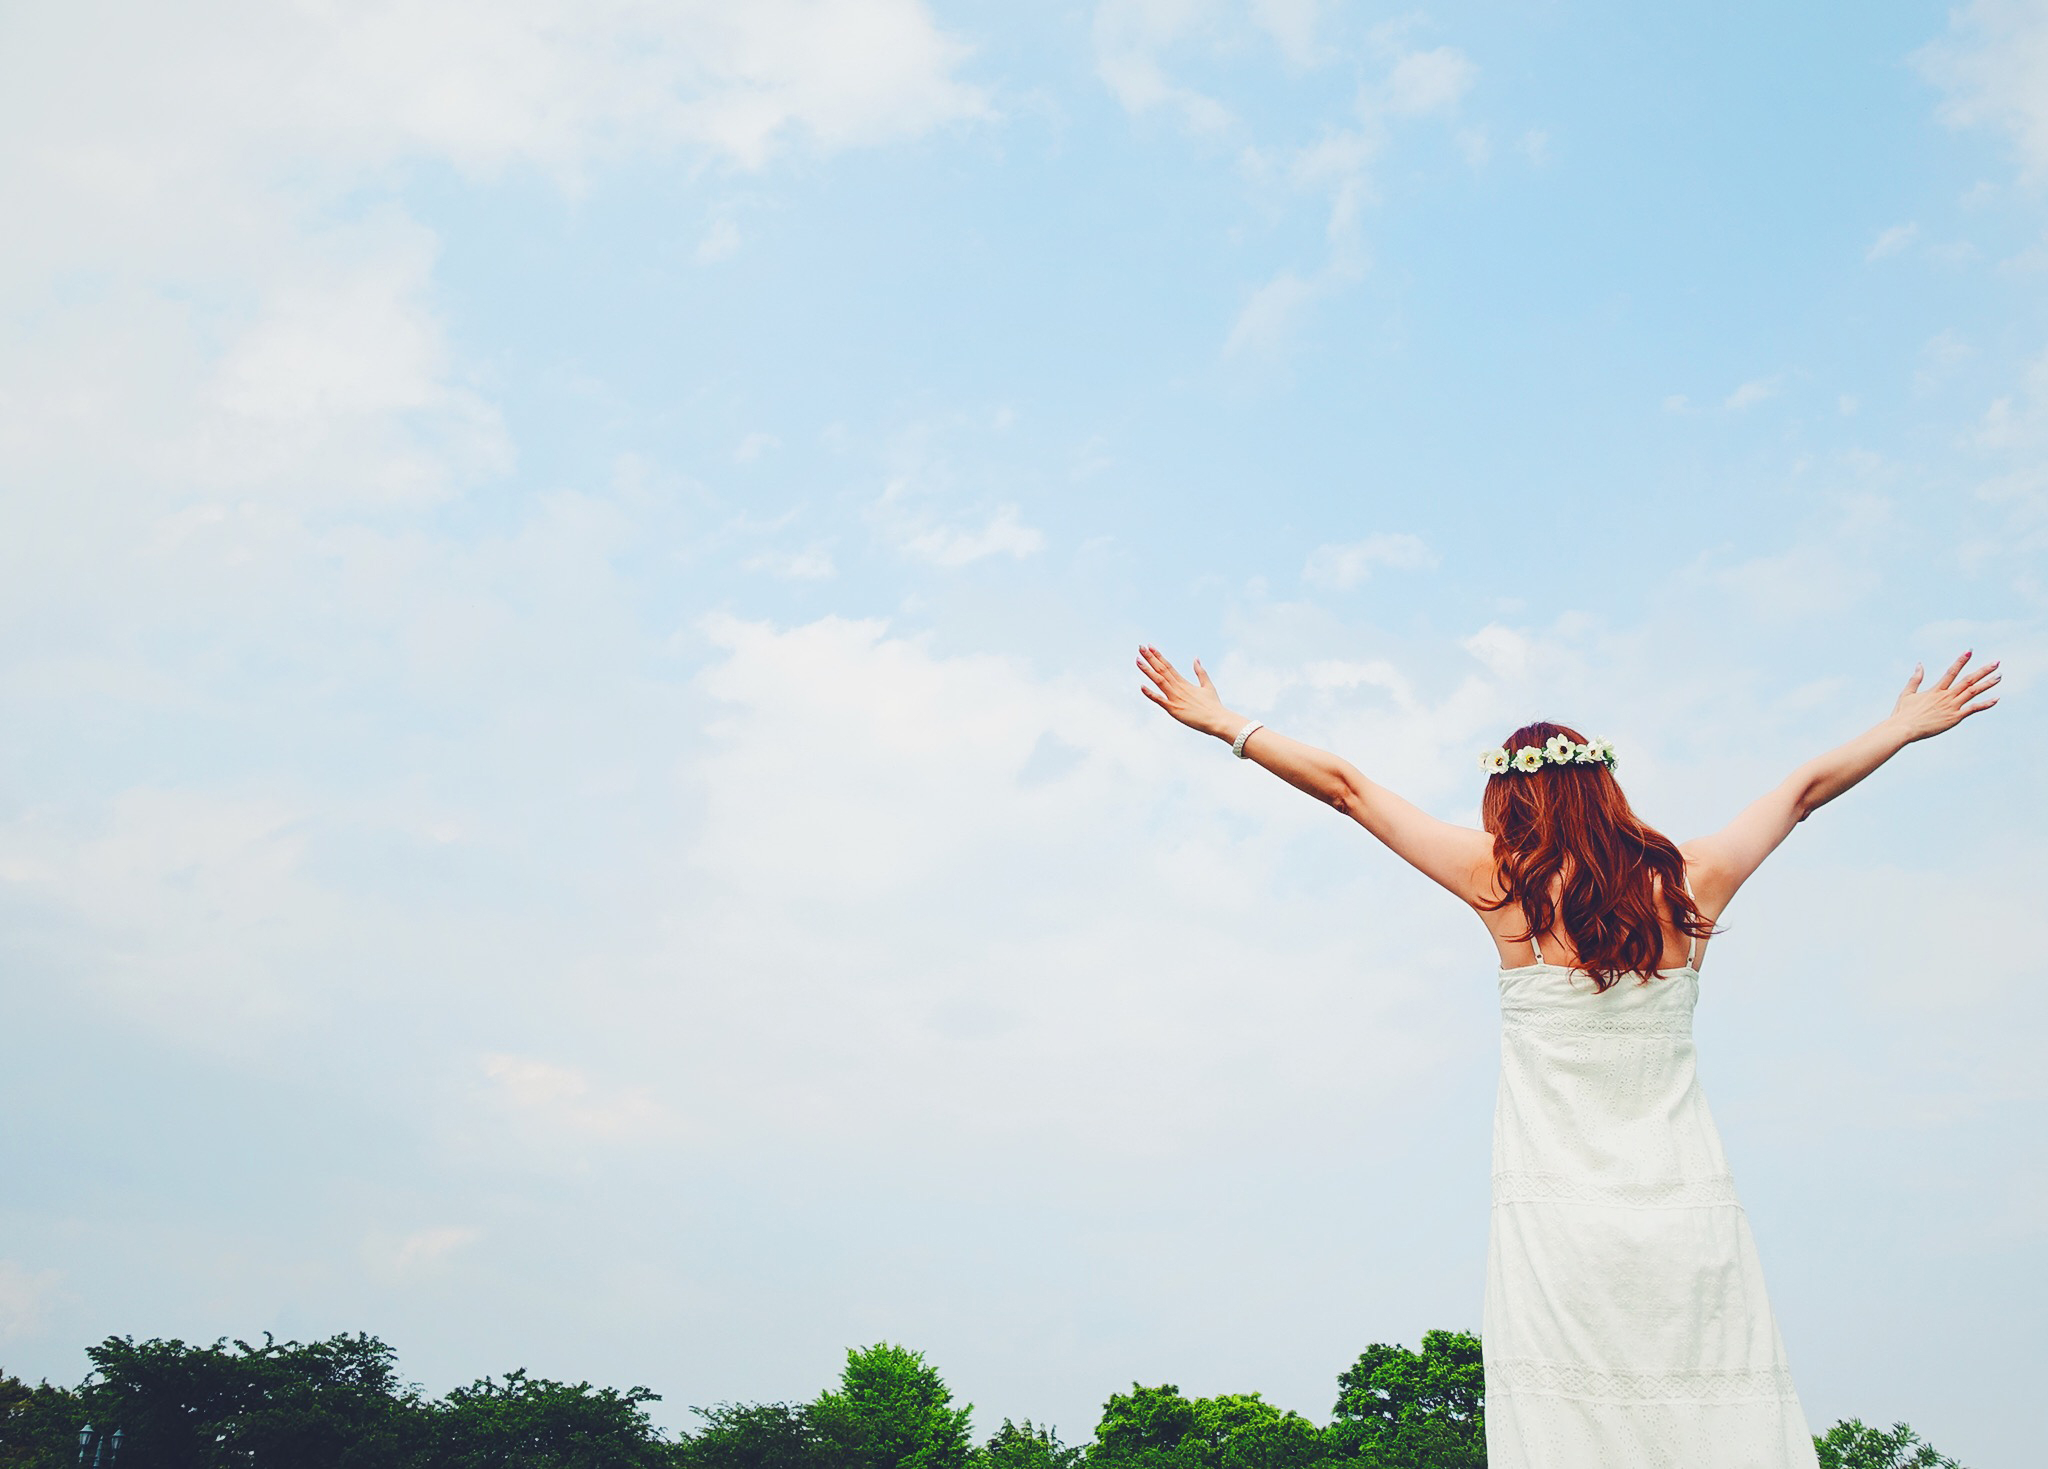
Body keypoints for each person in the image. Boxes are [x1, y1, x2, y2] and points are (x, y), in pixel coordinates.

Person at [1135, 645, 2001, 1469]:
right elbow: (1803, 791)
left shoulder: (1499, 881)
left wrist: (1226, 724)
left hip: (1558, 1224)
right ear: (1607, 786)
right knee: (1713, 1409)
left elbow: (1349, 791)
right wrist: (1903, 726)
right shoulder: (1692, 879)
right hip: (1687, 1213)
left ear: (1510, 801)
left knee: (1571, 1422)